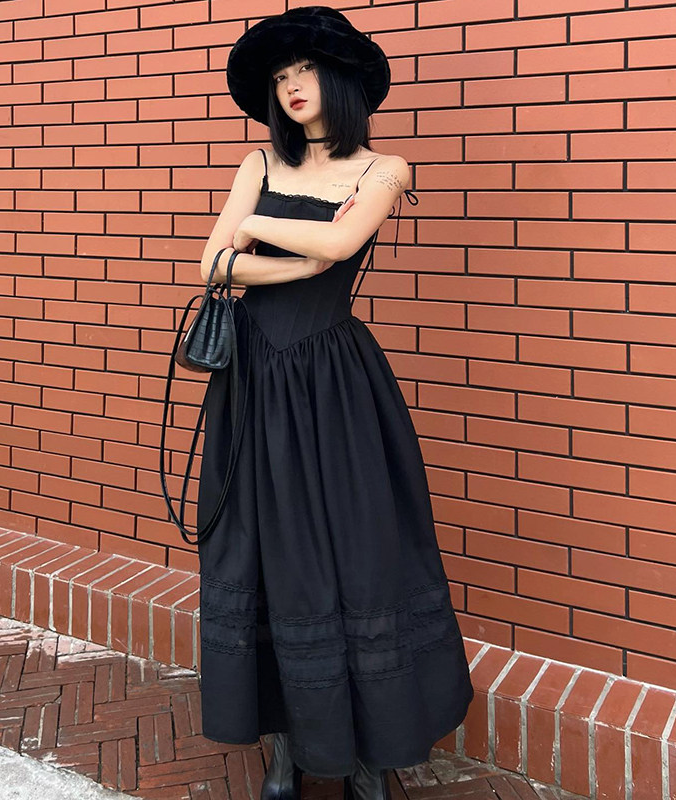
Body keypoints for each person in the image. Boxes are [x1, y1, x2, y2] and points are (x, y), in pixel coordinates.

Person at [191, 7, 475, 800]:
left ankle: (369, 755)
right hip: (252, 377)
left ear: (339, 79)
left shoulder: (384, 169)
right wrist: (281, 254)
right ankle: (287, 748)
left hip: (333, 382)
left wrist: (254, 234)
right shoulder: (258, 162)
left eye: (304, 71)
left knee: (358, 551)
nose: (291, 87)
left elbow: (341, 246)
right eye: (280, 77)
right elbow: (211, 266)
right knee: (264, 551)